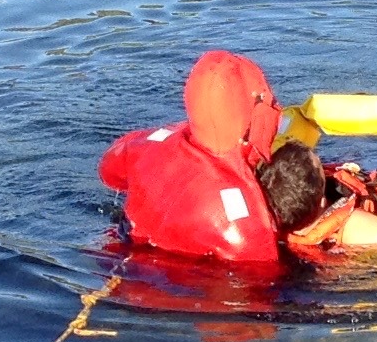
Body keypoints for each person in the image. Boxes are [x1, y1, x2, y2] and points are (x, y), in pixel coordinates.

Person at [99, 50, 287, 270]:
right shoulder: (242, 223)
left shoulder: (149, 143)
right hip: (170, 287)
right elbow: (258, 290)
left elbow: (108, 172)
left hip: (116, 253)